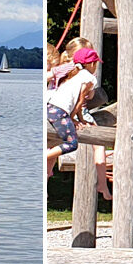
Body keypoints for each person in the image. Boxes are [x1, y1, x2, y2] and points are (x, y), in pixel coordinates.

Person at [46, 47, 101, 178]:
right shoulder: (90, 78)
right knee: (72, 144)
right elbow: (80, 101)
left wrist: (78, 119)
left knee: (58, 139)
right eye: (96, 64)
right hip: (60, 111)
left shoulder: (76, 74)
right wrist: (75, 119)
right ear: (91, 64)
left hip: (50, 108)